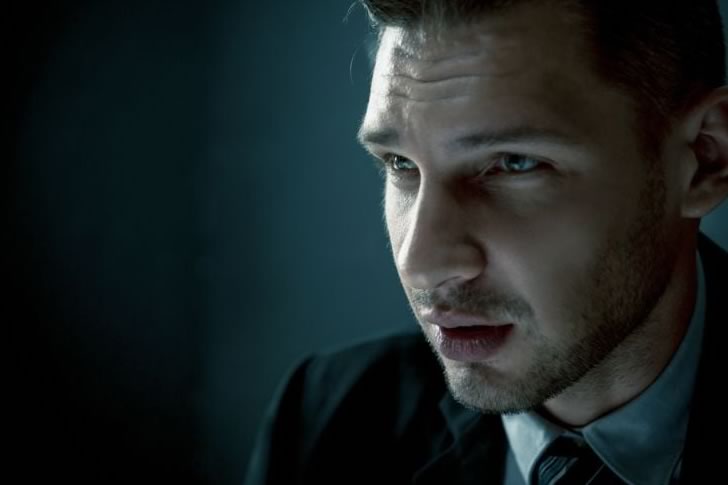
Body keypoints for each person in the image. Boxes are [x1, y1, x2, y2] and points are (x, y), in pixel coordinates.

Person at [245, 1, 728, 483]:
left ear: (704, 160)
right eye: (400, 164)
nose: (420, 264)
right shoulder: (328, 421)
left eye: (513, 163)